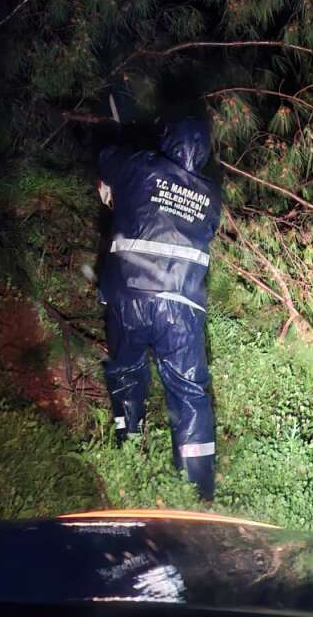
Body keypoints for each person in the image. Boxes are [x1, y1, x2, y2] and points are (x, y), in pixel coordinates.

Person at [96, 117, 222, 501]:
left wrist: (113, 183)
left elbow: (105, 157)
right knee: (188, 390)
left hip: (128, 297)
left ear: (166, 139)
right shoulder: (211, 196)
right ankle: (198, 489)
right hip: (180, 308)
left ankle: (127, 440)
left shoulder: (141, 166)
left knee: (126, 369)